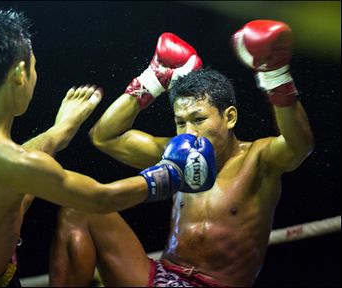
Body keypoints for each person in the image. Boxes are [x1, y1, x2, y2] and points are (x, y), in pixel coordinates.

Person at [0, 9, 216, 287]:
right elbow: (99, 198)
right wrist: (170, 174)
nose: (35, 78)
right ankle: (59, 133)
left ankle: (58, 133)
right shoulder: (14, 162)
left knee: (1, 190)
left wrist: (55, 134)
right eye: (34, 68)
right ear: (19, 74)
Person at [49, 21, 314, 287]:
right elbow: (105, 136)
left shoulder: (258, 160)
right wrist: (152, 80)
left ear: (230, 117)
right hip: (164, 276)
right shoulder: (176, 153)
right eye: (180, 122)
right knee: (79, 208)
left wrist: (275, 76)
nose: (187, 131)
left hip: (215, 284)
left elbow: (298, 145)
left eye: (198, 119)